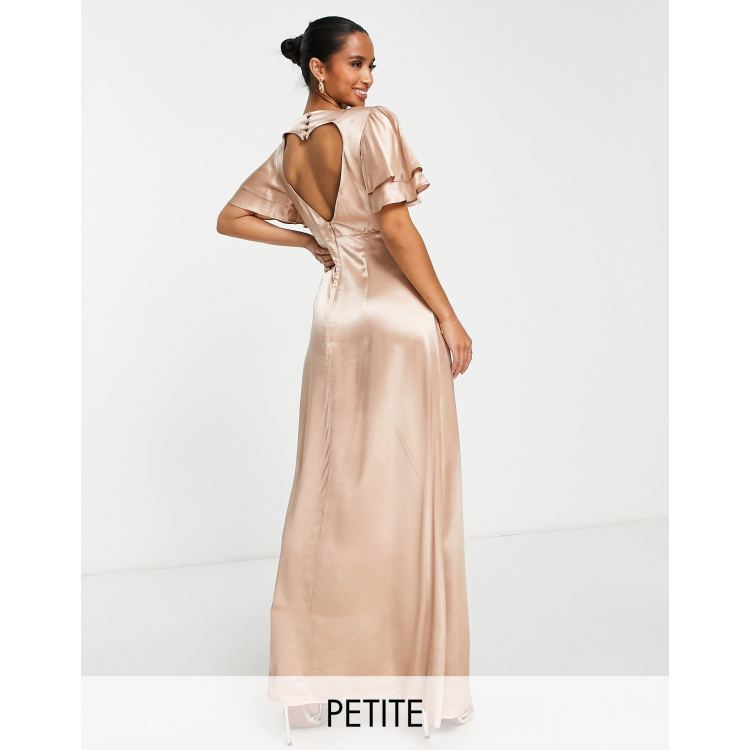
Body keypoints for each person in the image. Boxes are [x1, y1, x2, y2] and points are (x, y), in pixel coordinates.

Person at [216, 15, 474, 742]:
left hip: (334, 321)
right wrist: (448, 317)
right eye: (355, 64)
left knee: (327, 490)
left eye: (371, 66)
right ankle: (408, 682)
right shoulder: (372, 127)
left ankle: (312, 685)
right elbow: (396, 228)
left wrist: (310, 239)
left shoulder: (290, 148)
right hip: (394, 320)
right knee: (408, 493)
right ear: (318, 68)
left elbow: (230, 218)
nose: (366, 79)